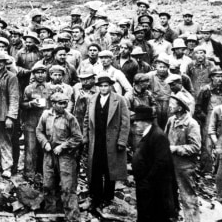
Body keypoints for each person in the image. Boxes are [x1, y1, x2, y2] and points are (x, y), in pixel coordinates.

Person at [83, 72, 130, 211]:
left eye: (106, 86)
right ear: (98, 87)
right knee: (95, 168)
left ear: (110, 86)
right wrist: (85, 137)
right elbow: (86, 120)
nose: (103, 88)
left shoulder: (119, 100)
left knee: (110, 169)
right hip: (96, 140)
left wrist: (122, 140)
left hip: (112, 140)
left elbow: (125, 122)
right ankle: (96, 197)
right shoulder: (92, 99)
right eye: (101, 86)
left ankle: (108, 197)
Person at [36, 92, 82, 221]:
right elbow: (39, 131)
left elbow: (78, 137)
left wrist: (63, 146)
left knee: (68, 186)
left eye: (65, 103)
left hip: (65, 156)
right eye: (60, 103)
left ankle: (72, 216)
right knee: (48, 183)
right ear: (53, 104)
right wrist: (45, 143)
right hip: (49, 154)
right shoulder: (46, 115)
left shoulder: (70, 118)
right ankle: (51, 211)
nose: (64, 106)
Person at [131, 105, 177, 222]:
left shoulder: (158, 136)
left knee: (153, 214)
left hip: (153, 187)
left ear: (145, 122)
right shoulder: (149, 133)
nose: (135, 124)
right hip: (146, 184)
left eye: (137, 121)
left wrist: (147, 181)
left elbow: (161, 163)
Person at [165, 94, 201, 222]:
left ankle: (192, 219)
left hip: (185, 167)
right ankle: (173, 216)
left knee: (188, 196)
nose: (169, 105)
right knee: (170, 194)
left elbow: (196, 147)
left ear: (180, 108)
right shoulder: (171, 120)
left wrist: (176, 149)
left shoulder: (191, 124)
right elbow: (165, 139)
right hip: (170, 164)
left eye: (172, 104)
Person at [0, 51, 20, 178]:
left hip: (4, 114)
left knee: (5, 140)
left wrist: (10, 117)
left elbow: (14, 98)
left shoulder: (11, 77)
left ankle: (7, 167)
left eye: (0, 61)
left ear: (5, 63)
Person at [21, 61, 50, 180]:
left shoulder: (51, 88)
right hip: (32, 122)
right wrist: (30, 104)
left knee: (45, 148)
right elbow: (22, 104)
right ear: (33, 74)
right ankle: (29, 175)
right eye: (37, 73)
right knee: (30, 149)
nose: (40, 75)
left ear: (46, 74)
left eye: (42, 72)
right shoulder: (28, 88)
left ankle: (44, 174)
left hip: (47, 123)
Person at [193, 68, 222, 173]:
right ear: (212, 77)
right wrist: (205, 119)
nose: (219, 79)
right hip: (208, 120)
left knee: (221, 145)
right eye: (217, 76)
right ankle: (206, 169)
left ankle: (219, 171)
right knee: (207, 146)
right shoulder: (205, 90)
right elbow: (198, 107)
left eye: (221, 76)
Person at [124, 73, 157, 152]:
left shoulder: (148, 94)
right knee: (138, 150)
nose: (148, 84)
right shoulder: (129, 95)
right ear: (139, 83)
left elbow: (154, 106)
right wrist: (142, 114)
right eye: (146, 82)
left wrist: (151, 110)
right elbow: (126, 112)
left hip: (149, 125)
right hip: (136, 126)